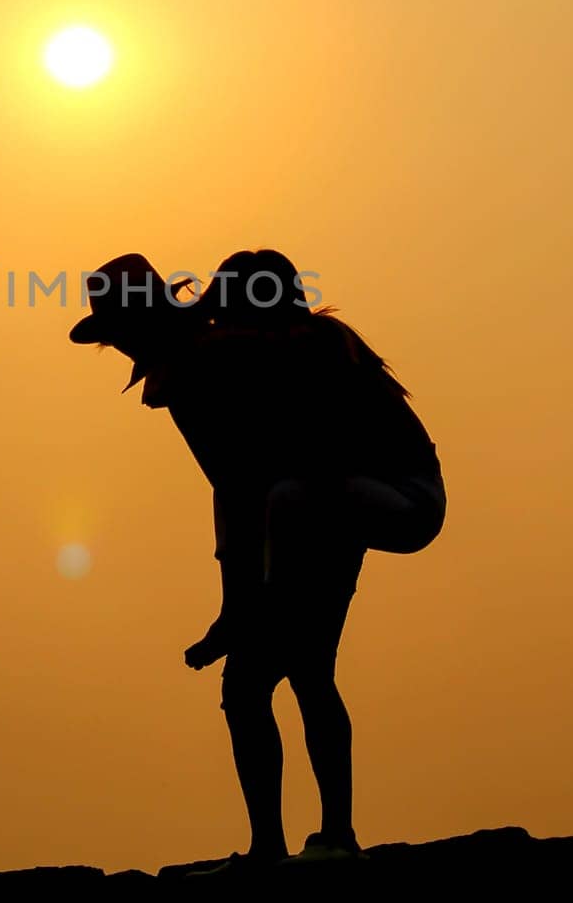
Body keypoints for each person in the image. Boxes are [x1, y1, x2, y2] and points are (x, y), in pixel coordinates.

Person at [69, 249, 446, 867]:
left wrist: (246, 603)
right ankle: (270, 848)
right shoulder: (202, 357)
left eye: (117, 331)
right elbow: (237, 489)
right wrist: (236, 607)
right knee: (251, 683)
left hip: (388, 495)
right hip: (319, 502)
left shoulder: (222, 359)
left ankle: (336, 840)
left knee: (302, 662)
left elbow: (247, 488)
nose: (119, 347)